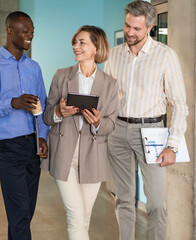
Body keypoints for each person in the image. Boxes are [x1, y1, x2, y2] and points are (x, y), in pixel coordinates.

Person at [104, 1, 189, 239]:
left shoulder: (165, 56)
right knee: (123, 199)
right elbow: (107, 95)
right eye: (127, 26)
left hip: (152, 131)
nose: (130, 32)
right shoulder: (114, 54)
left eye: (137, 29)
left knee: (156, 204)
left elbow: (180, 104)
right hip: (118, 131)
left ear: (150, 27)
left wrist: (172, 146)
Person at [0, 11, 49, 240]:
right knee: (19, 213)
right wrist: (11, 103)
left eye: (32, 31)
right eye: (25, 30)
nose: (30, 35)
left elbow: (42, 105)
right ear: (9, 30)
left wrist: (43, 136)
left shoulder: (34, 67)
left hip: (31, 147)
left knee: (25, 212)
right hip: (7, 148)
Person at [41, 25, 118, 240]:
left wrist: (97, 123)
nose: (76, 46)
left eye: (82, 42)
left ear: (96, 47)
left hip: (93, 156)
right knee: (76, 214)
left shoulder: (110, 85)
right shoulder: (61, 75)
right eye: (74, 42)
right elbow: (47, 116)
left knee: (84, 217)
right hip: (64, 153)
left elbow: (110, 124)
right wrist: (58, 111)